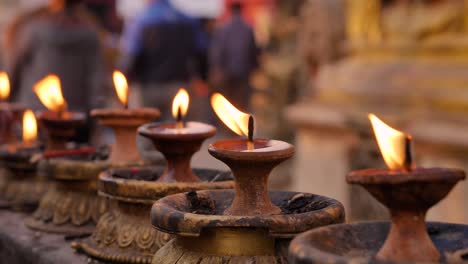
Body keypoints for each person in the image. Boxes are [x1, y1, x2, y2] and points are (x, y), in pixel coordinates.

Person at [6, 0, 107, 142]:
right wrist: (96, 117)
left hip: (35, 116)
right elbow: (97, 81)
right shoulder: (90, 33)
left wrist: (8, 104)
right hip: (77, 120)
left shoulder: (33, 29)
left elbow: (13, 72)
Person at [119, 0, 203, 120]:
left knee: (147, 131)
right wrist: (202, 77)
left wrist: (127, 79)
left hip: (148, 88)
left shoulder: (140, 21)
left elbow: (132, 56)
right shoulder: (186, 20)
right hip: (179, 85)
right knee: (176, 133)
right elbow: (200, 52)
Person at [210, 1, 259, 111]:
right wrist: (255, 67)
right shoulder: (248, 28)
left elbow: (219, 50)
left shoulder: (224, 28)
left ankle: (228, 127)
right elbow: (253, 50)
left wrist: (218, 68)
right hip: (244, 71)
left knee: (228, 101)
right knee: (242, 102)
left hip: (228, 71)